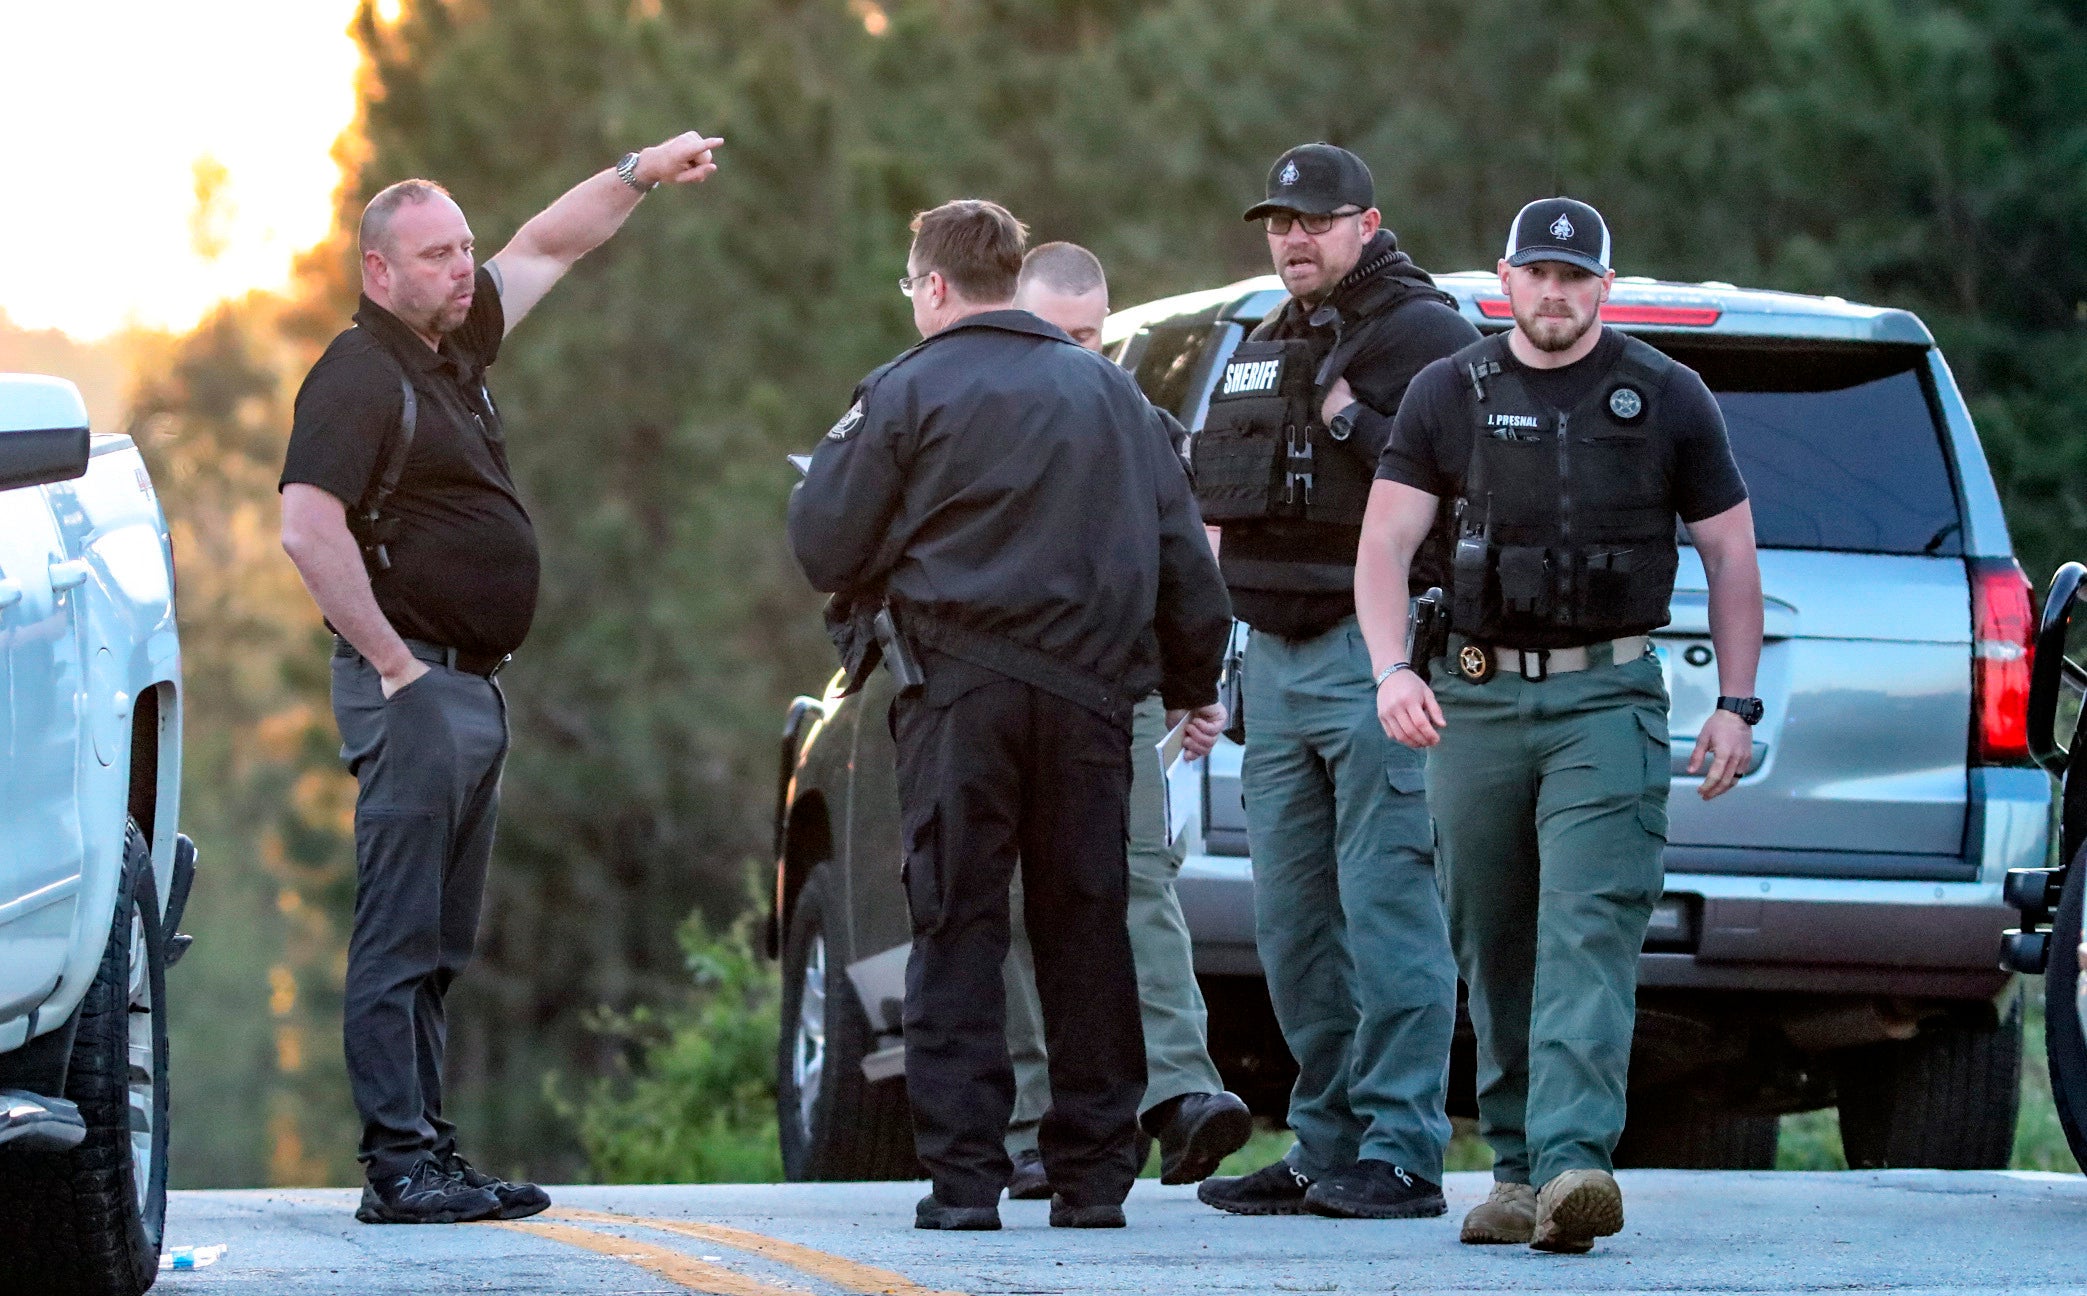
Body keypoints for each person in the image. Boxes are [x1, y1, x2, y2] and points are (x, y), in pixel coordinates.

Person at [278, 131, 723, 1225]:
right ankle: (397, 1169)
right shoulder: (357, 373)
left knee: (438, 941)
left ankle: (431, 1151)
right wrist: (392, 666)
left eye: (461, 249)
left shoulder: (454, 347)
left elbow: (546, 247)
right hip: (415, 687)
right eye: (435, 256)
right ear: (378, 270)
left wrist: (635, 173)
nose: (461, 269)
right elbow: (303, 525)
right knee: (397, 937)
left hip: (468, 686)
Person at [788, 201, 1232, 1232]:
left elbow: (823, 542)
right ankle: (1090, 1182)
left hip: (957, 697)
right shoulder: (1115, 398)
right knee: (1087, 929)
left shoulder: (901, 393)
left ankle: (965, 1183)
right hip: (1089, 703)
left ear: (933, 286)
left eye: (911, 288)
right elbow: (1184, 564)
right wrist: (1190, 680)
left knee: (957, 928)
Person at [1355, 197, 1763, 1254]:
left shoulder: (1666, 396)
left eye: (1574, 277)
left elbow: (1728, 556)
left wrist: (1733, 701)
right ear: (1504, 278)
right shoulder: (1446, 392)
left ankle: (1575, 1162)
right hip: (1476, 695)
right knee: (1490, 939)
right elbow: (1385, 547)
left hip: (1605, 698)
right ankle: (1512, 1167)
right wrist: (1390, 669)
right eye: (1536, 274)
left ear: (1603, 287)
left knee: (1587, 927)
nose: (1553, 292)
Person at [1192, 143, 1477, 1221]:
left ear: (1366, 221)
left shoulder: (1430, 335)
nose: (1291, 239)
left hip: (1378, 655)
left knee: (1387, 905)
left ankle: (1402, 1150)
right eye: (1277, 221)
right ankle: (1322, 1143)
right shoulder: (1268, 338)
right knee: (1294, 920)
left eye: (1312, 220)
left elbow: (1464, 491)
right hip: (1272, 651)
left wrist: (1353, 423)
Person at [996, 243, 1252, 1202]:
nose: (1078, 353)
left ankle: (1183, 1095)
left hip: (1116, 691)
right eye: (1056, 334)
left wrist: (1192, 687)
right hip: (997, 689)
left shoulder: (1138, 422)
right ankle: (1035, 1127)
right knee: (1016, 898)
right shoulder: (976, 413)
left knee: (1136, 878)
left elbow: (1186, 562)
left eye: (1091, 336)